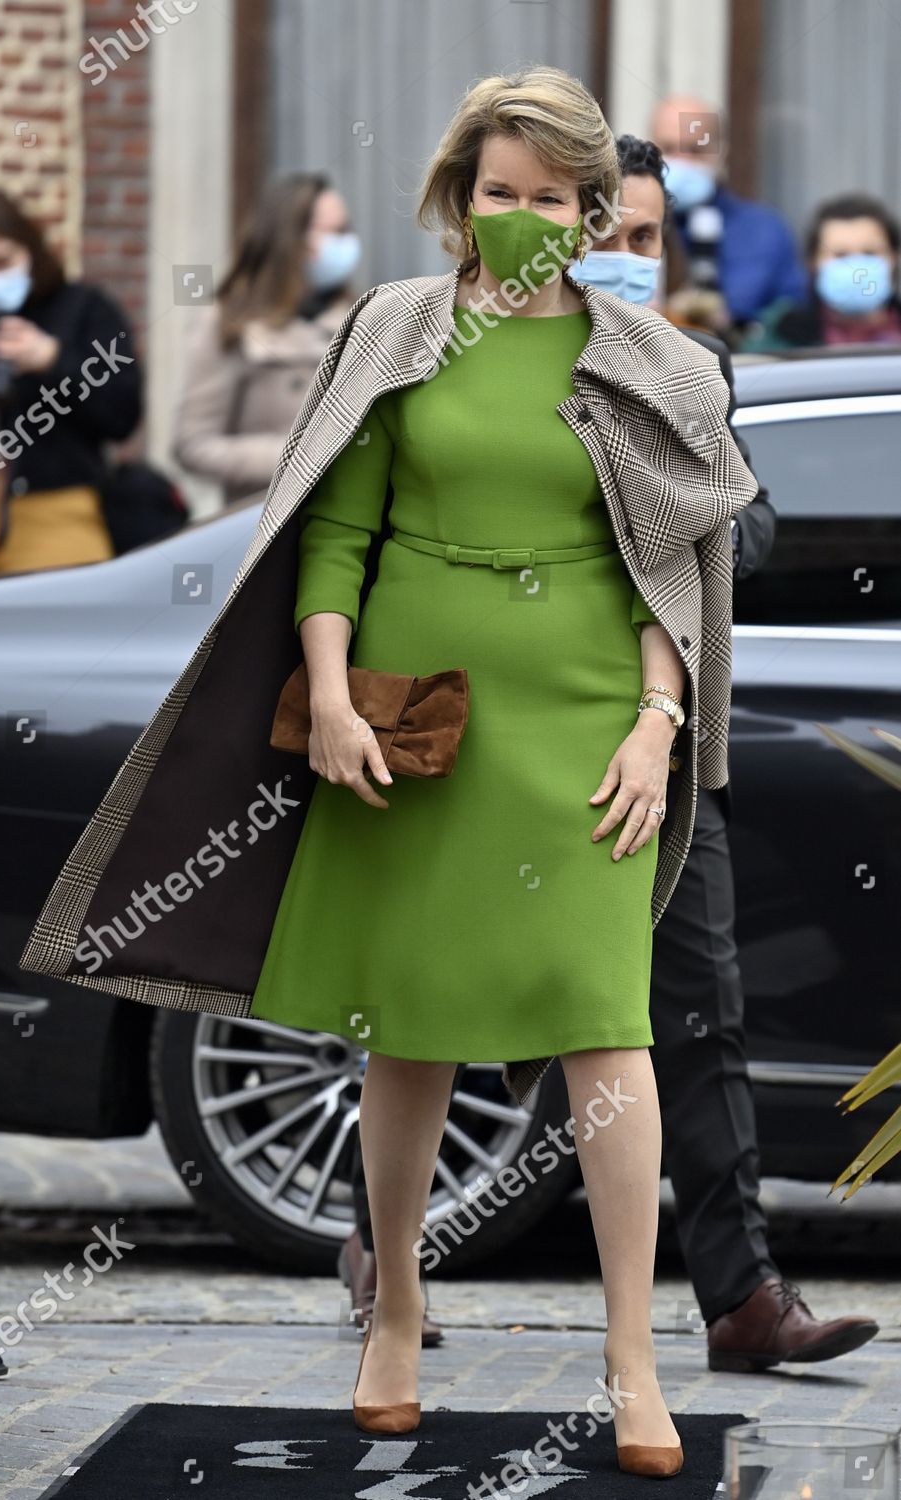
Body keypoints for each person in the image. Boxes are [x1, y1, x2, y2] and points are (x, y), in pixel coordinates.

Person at [20, 66, 760, 1478]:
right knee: (404, 1022)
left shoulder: (652, 358)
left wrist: (659, 722)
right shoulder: (394, 329)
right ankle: (397, 1313)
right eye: (500, 193)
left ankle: (632, 1360)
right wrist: (324, 689)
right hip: (414, 710)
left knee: (609, 1027)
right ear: (458, 198)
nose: (524, 218)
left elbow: (674, 565)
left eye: (554, 199)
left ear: (594, 209)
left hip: (588, 715)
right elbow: (335, 529)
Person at [341, 134, 879, 1381]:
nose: (621, 257)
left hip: (646, 736)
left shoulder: (691, 368)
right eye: (608, 234)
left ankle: (739, 1296)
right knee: (424, 993)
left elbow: (744, 543)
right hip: (477, 717)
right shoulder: (462, 345)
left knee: (693, 1009)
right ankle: (384, 1266)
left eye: (645, 240)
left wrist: (661, 524)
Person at [171, 173, 363, 507]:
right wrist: (300, 455)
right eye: (335, 232)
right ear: (292, 239)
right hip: (258, 523)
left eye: (347, 230)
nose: (346, 244)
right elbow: (193, 444)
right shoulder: (227, 323)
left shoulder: (361, 317)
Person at [0, 189, 141, 575]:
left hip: (57, 511)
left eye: (1, 262)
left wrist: (53, 359)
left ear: (31, 251)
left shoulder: (83, 309)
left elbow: (123, 414)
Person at [647, 95, 807, 330]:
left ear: (721, 153)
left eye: (695, 150)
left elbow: (792, 321)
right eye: (669, 149)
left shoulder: (766, 230)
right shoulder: (625, 227)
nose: (683, 161)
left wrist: (735, 326)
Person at [740, 193, 901, 352]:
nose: (856, 268)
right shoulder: (779, 334)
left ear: (894, 257)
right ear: (813, 262)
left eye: (869, 253)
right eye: (840, 255)